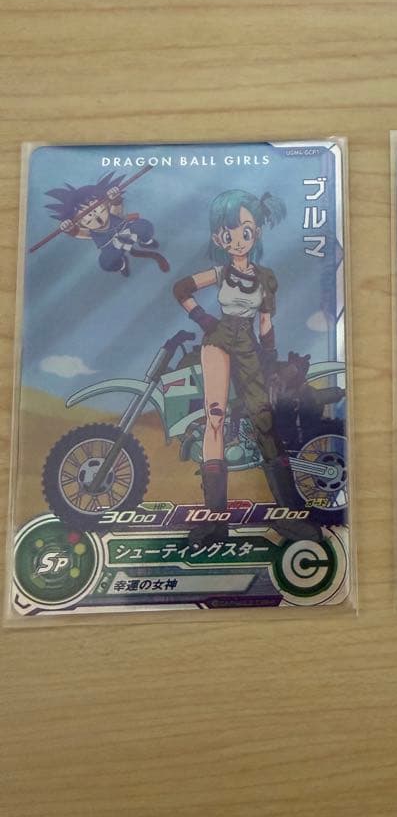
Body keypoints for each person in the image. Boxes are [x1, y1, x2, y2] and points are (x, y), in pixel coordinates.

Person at [172, 188, 321, 545]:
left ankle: (292, 514)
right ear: (217, 237)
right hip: (219, 340)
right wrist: (204, 319)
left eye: (245, 231)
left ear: (257, 233)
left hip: (249, 347)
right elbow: (181, 289)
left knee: (263, 421)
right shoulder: (219, 272)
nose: (237, 239)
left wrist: (269, 358)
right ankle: (215, 522)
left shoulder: (266, 277)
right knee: (215, 418)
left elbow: (266, 322)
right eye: (228, 233)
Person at [45, 172, 167, 275]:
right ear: (79, 222)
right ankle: (121, 265)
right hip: (112, 248)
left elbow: (117, 207)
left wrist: (114, 198)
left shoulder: (113, 214)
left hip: (128, 232)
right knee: (106, 262)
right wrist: (69, 228)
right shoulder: (90, 232)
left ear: (105, 204)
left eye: (97, 208)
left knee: (143, 225)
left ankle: (146, 241)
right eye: (87, 216)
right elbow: (78, 233)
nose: (94, 215)